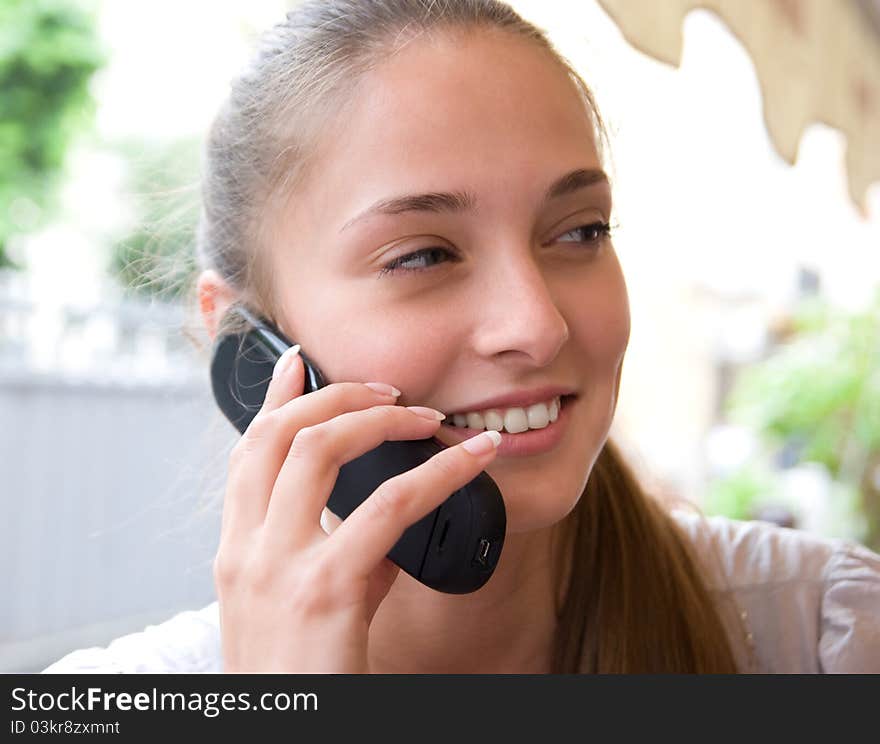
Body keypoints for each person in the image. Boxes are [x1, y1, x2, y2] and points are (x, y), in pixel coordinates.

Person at [44, 0, 879, 674]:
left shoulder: (825, 632)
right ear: (244, 344)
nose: (536, 323)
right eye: (423, 255)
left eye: (580, 230)